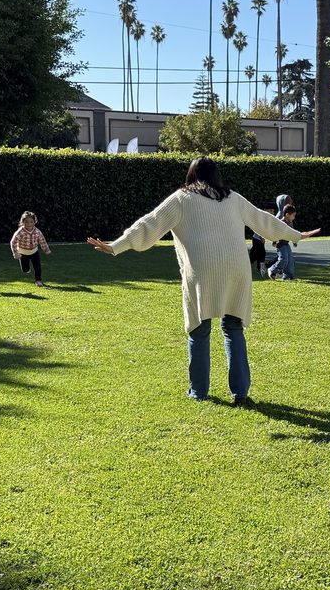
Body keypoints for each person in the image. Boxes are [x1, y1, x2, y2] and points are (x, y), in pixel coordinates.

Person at [87, 157, 315, 405]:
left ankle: (199, 392)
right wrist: (295, 234)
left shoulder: (182, 198)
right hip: (236, 268)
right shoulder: (233, 198)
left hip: (201, 271)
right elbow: (264, 220)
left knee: (199, 330)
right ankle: (240, 394)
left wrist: (116, 246)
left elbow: (149, 224)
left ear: (191, 174)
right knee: (233, 328)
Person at [268, 204, 320, 280]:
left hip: (286, 244)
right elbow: (275, 233)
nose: (294, 217)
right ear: (287, 215)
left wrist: (294, 241)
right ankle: (272, 270)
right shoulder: (281, 223)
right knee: (284, 259)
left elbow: (292, 233)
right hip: (280, 244)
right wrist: (274, 242)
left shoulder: (290, 223)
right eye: (293, 215)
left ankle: (287, 276)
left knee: (290, 260)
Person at [10, 211, 51, 287]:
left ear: (35, 222)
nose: (29, 224)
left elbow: (42, 240)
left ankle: (38, 280)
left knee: (37, 267)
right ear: (22, 222)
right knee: (25, 269)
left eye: (31, 222)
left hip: (34, 252)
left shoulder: (37, 231)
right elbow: (13, 242)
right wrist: (15, 253)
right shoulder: (20, 232)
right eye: (26, 222)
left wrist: (46, 249)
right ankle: (26, 268)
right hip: (23, 253)